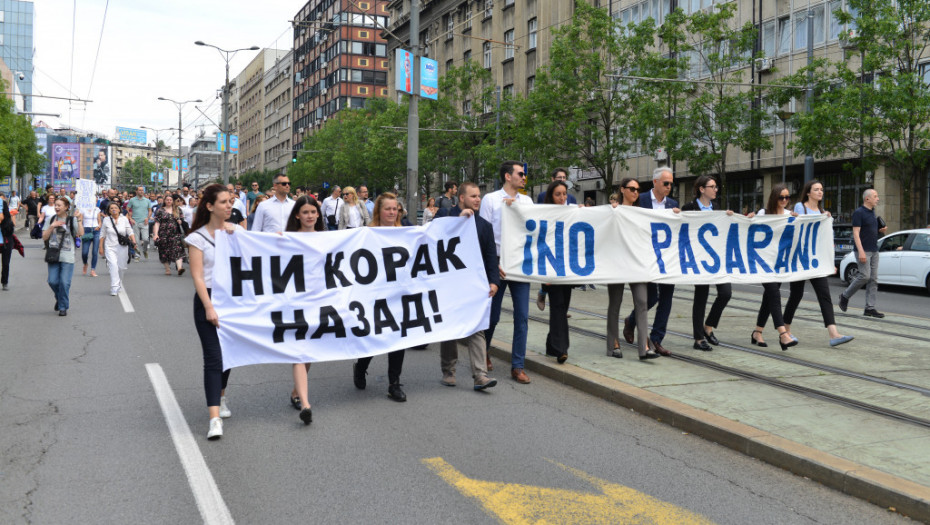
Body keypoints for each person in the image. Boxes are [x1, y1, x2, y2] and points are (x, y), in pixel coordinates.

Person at [185, 184, 241, 439]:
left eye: (231, 201)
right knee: (214, 358)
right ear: (210, 206)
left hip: (232, 301)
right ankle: (214, 418)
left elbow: (261, 252)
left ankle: (222, 394)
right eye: (223, 202)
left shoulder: (237, 231)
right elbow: (197, 277)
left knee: (227, 355)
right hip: (208, 300)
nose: (229, 206)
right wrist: (209, 307)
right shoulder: (197, 238)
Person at [438, 182, 500, 389]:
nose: (477, 199)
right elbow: (433, 237)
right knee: (451, 329)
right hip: (450, 284)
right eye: (473, 196)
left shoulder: (484, 225)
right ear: (462, 198)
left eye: (479, 196)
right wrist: (457, 221)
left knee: (478, 328)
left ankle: (480, 375)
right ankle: (449, 369)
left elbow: (491, 257)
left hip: (475, 286)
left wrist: (494, 281)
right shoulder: (446, 216)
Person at [480, 161, 534, 384]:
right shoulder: (491, 200)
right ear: (507, 176)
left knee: (522, 316)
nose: (524, 177)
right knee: (493, 315)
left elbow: (536, 226)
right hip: (498, 262)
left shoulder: (527, 201)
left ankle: (517, 366)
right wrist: (491, 263)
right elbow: (483, 233)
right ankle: (483, 351)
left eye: (525, 174)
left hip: (520, 263)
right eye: (520, 174)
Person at [782, 180, 855, 346]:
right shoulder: (801, 207)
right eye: (816, 189)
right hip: (800, 260)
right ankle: (785, 329)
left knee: (824, 295)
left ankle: (834, 334)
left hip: (816, 261)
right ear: (808, 192)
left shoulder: (823, 212)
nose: (820, 192)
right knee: (796, 295)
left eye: (821, 189)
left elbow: (825, 239)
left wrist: (830, 261)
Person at [352, 193, 409, 401]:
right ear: (379, 211)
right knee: (374, 336)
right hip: (374, 294)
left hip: (398, 294)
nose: (392, 213)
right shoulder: (366, 234)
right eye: (388, 209)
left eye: (395, 209)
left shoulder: (405, 232)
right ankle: (361, 366)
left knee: (398, 339)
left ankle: (394, 383)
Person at [623, 167, 680, 357]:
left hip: (667, 259)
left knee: (666, 297)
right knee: (651, 297)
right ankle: (631, 321)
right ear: (655, 182)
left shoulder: (672, 204)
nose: (669, 186)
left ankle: (657, 339)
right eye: (666, 183)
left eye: (671, 183)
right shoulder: (642, 199)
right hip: (646, 257)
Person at [282, 195, 325, 425]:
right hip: (295, 301)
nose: (309, 216)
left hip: (318, 300)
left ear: (318, 215)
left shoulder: (328, 239)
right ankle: (306, 404)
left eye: (313, 212)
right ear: (297, 215)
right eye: (305, 212)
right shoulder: (287, 238)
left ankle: (296, 392)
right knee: (300, 349)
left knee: (308, 352)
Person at [607, 178, 659, 360]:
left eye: (638, 189)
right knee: (615, 302)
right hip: (617, 262)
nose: (635, 192)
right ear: (622, 190)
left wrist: (674, 215)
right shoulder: (613, 210)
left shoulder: (642, 213)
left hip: (637, 262)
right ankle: (613, 342)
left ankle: (644, 347)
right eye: (631, 189)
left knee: (642, 301)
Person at [681, 175, 734, 351]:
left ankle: (708, 326)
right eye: (712, 186)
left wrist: (731, 218)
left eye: (716, 187)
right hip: (698, 259)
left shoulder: (717, 208)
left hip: (717, 259)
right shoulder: (689, 208)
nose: (716, 190)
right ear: (702, 189)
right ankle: (698, 338)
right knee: (701, 296)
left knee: (725, 293)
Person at [751, 183, 801, 350]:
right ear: (774, 198)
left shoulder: (790, 214)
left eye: (787, 197)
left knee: (769, 297)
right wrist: (749, 218)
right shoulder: (763, 214)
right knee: (774, 293)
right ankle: (783, 334)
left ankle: (757, 332)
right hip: (764, 263)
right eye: (781, 197)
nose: (785, 200)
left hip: (780, 263)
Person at [541, 181, 576, 364]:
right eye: (558, 194)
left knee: (563, 307)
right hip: (550, 269)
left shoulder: (572, 211)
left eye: (564, 194)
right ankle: (562, 349)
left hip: (567, 270)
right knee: (558, 307)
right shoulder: (544, 214)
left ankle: (551, 344)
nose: (563, 198)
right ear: (551, 196)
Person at [839, 188, 886, 318]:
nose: (877, 198)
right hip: (863, 250)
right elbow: (856, 233)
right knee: (864, 276)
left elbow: (871, 231)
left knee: (873, 279)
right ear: (867, 199)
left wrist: (880, 230)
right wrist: (860, 251)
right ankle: (845, 296)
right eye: (875, 196)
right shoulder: (859, 213)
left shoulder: (872, 213)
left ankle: (869, 308)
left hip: (874, 249)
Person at [42, 196, 84, 316]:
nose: (56, 207)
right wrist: (52, 226)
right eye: (55, 205)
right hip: (53, 255)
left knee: (65, 283)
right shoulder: (50, 219)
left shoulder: (72, 220)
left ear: (66, 207)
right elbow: (44, 237)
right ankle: (60, 299)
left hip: (68, 255)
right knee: (52, 281)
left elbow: (80, 233)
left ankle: (63, 306)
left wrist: (79, 220)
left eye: (59, 205)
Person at [99, 201, 135, 296]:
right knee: (113, 265)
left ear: (119, 209)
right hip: (110, 246)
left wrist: (134, 241)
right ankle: (114, 287)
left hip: (122, 246)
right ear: (109, 211)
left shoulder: (124, 219)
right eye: (111, 208)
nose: (114, 209)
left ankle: (119, 282)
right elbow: (102, 234)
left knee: (121, 267)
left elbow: (129, 231)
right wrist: (100, 247)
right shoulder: (106, 220)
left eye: (115, 208)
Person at [153, 194, 186, 276]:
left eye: (170, 200)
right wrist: (156, 234)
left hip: (175, 234)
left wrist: (179, 221)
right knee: (164, 251)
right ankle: (167, 269)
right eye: (167, 200)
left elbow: (182, 220)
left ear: (172, 201)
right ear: (165, 201)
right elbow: (157, 223)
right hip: (163, 234)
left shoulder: (177, 210)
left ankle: (179, 268)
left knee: (178, 250)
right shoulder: (160, 211)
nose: (169, 201)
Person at [127, 186, 152, 261]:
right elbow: (127, 209)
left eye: (142, 190)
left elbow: (150, 210)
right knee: (136, 240)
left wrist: (147, 218)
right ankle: (137, 256)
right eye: (140, 190)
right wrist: (130, 218)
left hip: (144, 222)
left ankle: (145, 250)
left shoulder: (147, 200)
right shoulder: (132, 200)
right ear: (136, 191)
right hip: (135, 222)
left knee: (145, 239)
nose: (141, 191)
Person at [79, 195, 101, 278]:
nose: (94, 202)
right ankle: (85, 263)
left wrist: (99, 226)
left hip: (96, 230)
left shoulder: (97, 210)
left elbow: (99, 221)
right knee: (85, 252)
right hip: (86, 230)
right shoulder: (83, 209)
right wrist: (80, 230)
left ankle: (93, 270)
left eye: (96, 201)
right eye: (93, 200)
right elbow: (80, 220)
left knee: (95, 252)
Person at [1, 197, 15, 291]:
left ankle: (5, 281)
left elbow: (1, 218)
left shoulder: (3, 204)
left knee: (6, 262)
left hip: (5, 236)